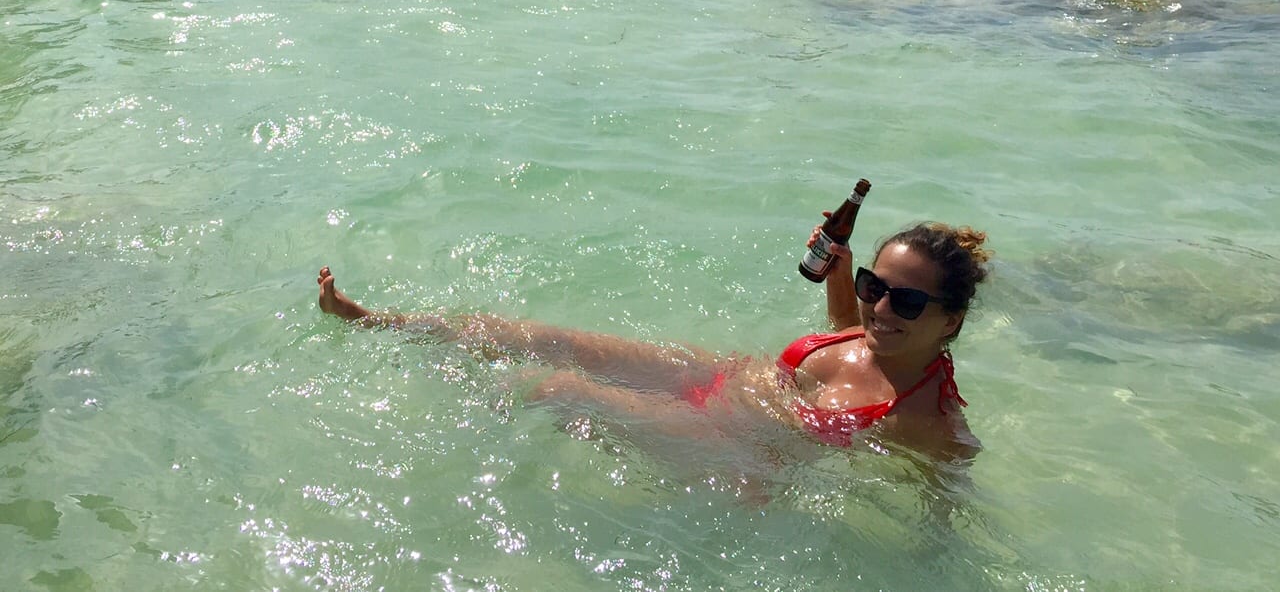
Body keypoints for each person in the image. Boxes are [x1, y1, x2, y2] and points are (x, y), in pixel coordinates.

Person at [315, 220, 991, 457]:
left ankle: (439, 420)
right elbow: (850, 324)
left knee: (551, 386)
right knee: (539, 338)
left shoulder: (928, 419)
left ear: (951, 321)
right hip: (721, 378)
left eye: (905, 299)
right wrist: (842, 274)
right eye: (877, 285)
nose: (881, 309)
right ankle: (380, 322)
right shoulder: (871, 325)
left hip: (734, 450)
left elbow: (945, 492)